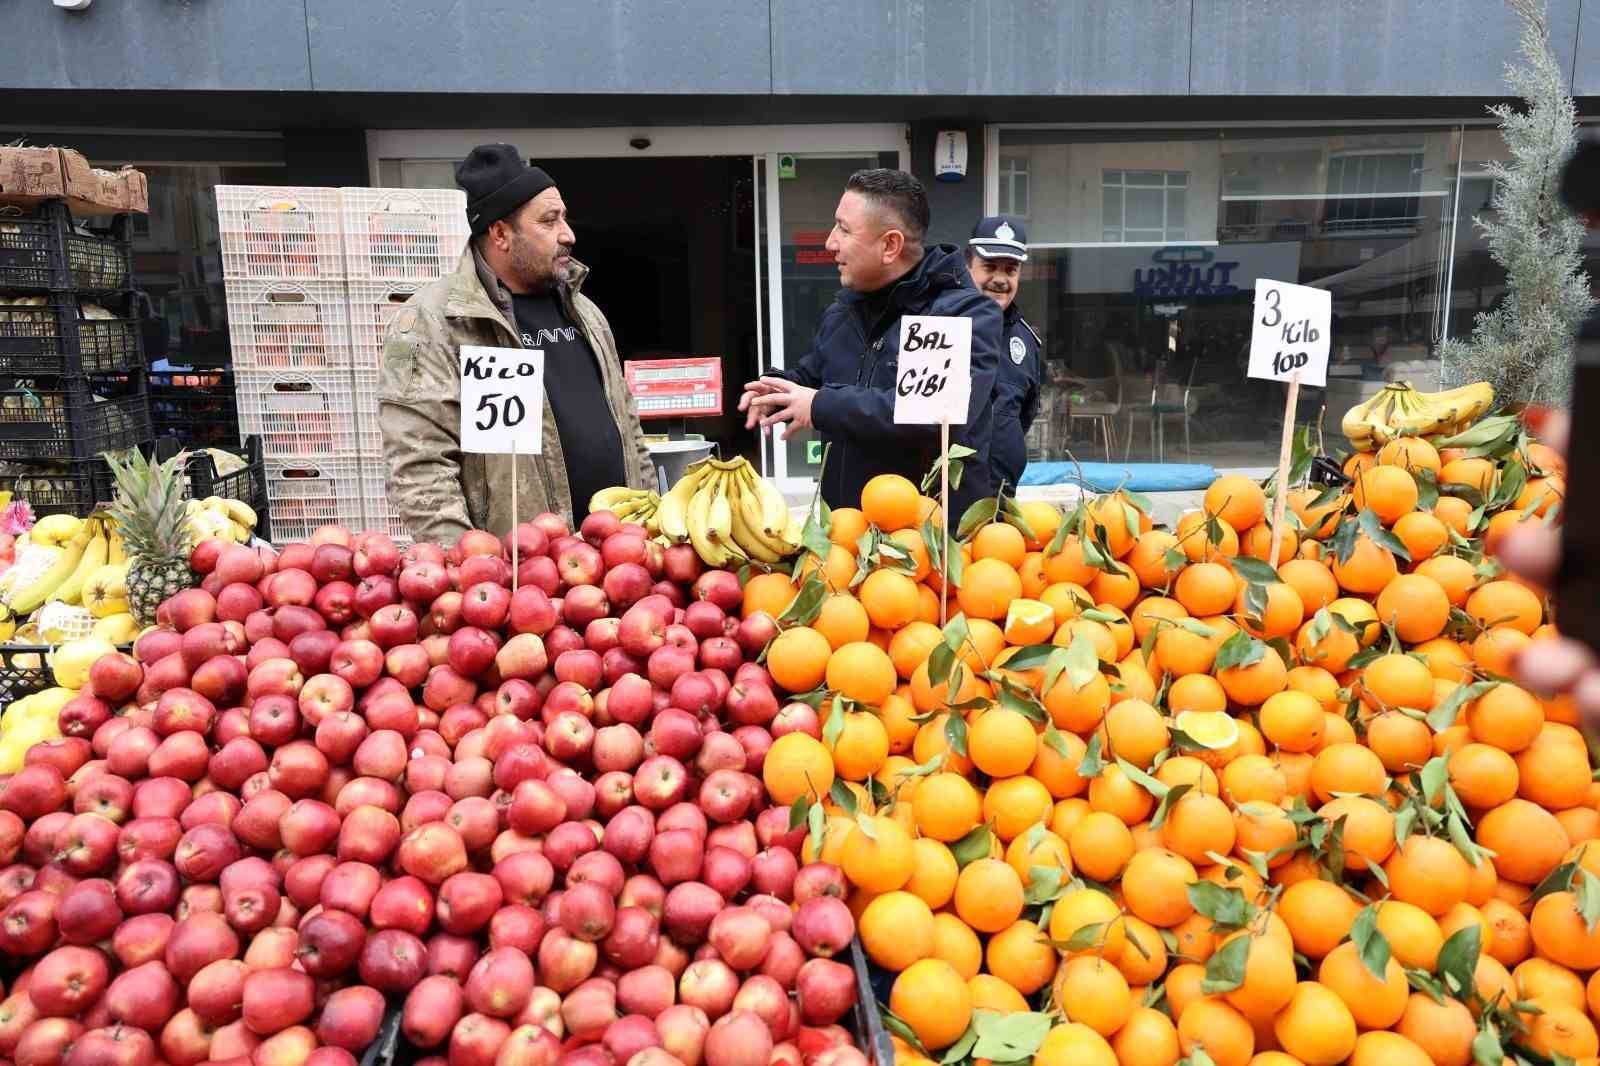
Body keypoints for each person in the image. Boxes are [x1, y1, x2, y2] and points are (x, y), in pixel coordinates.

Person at [379, 144, 652, 543]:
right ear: (501, 233)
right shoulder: (438, 321)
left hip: (616, 562)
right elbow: (420, 466)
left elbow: (629, 427)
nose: (568, 234)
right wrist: (471, 567)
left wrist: (649, 529)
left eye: (565, 218)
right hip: (517, 578)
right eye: (549, 221)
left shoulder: (585, 311)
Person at [738, 169, 1002, 514]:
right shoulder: (843, 311)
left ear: (890, 245)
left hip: (927, 543)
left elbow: (929, 415)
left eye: (844, 229)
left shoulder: (959, 315)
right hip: (845, 537)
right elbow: (814, 378)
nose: (830, 242)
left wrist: (818, 405)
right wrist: (781, 393)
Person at [966, 215, 1041, 493]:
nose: (1000, 279)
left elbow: (1025, 415)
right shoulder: (940, 325)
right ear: (968, 265)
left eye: (1010, 270)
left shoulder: (1025, 339)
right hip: (942, 503)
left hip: (1002, 499)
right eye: (989, 267)